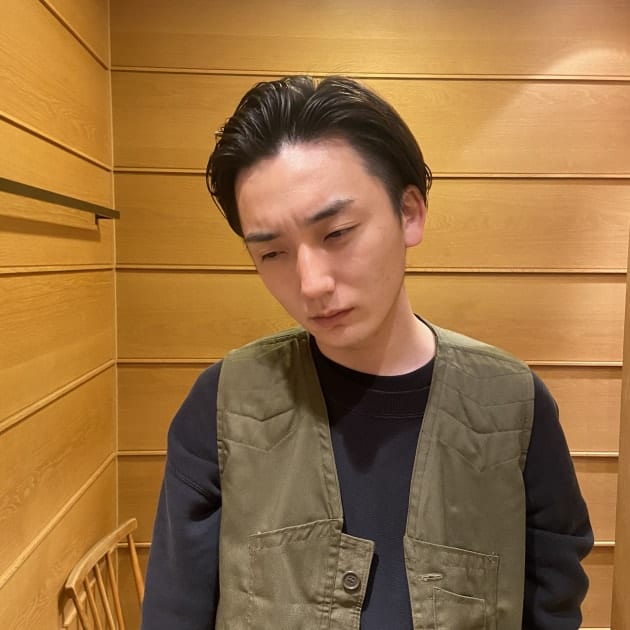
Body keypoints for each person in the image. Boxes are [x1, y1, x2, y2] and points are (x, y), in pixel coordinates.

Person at [141, 75, 593, 630]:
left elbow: (554, 597)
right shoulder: (222, 406)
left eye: (337, 233)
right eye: (273, 253)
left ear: (410, 213)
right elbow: (174, 611)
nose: (311, 284)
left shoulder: (513, 405)